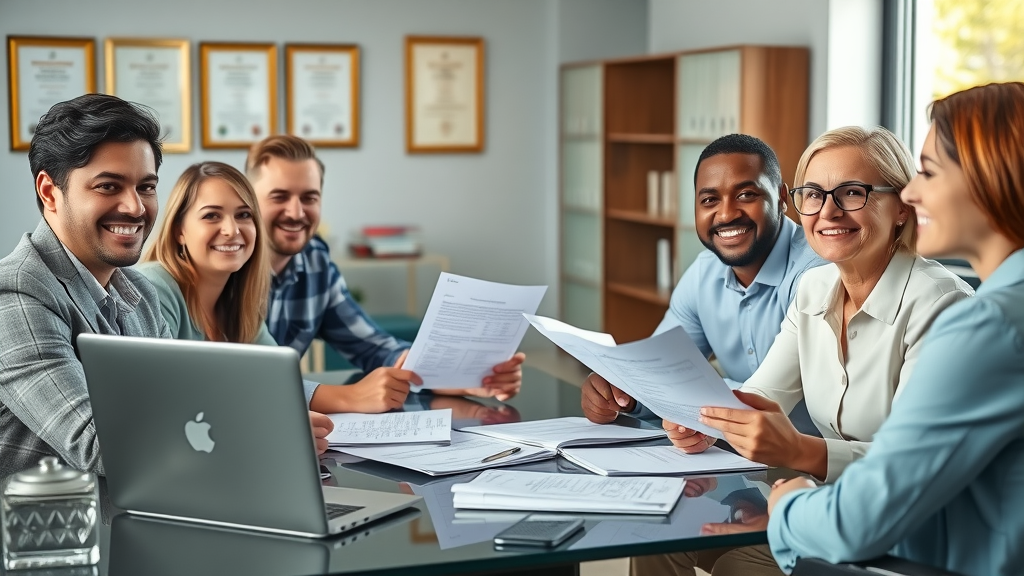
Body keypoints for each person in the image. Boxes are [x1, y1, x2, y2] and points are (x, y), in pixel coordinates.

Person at [645, 127, 974, 576]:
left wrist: (801, 451)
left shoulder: (940, 304)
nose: (828, 211)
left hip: (907, 531)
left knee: (739, 565)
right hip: (831, 505)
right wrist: (706, 421)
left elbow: (911, 471)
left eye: (852, 193)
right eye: (814, 195)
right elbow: (763, 395)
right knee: (658, 534)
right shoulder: (815, 287)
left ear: (901, 207)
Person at [767, 82, 1024, 576]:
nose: (911, 190)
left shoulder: (983, 326)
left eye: (928, 172)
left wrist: (791, 507)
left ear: (991, 179)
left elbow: (857, 521)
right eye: (813, 195)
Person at [0, 95, 327, 479]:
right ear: (49, 192)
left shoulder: (138, 293)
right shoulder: (18, 294)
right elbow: (99, 443)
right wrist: (266, 431)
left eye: (146, 187)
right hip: (48, 534)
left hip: (147, 512)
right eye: (108, 186)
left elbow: (189, 415)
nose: (136, 207)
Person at [245, 135, 524, 410]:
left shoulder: (315, 261)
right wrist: (346, 396)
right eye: (279, 197)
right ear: (249, 202)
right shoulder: (224, 270)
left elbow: (374, 347)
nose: (296, 212)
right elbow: (238, 380)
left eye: (309, 197)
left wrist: (462, 377)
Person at [583, 134, 824, 430]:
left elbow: (773, 399)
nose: (725, 214)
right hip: (736, 455)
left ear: (782, 199)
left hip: (816, 463)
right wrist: (622, 394)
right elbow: (659, 371)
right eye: (709, 200)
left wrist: (688, 389)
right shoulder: (703, 275)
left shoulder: (816, 274)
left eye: (746, 195)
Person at [137, 161, 408, 417]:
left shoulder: (239, 300)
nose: (231, 230)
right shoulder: (152, 288)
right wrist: (347, 398)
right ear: (178, 231)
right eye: (211, 216)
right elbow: (164, 402)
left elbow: (278, 382)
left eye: (244, 215)